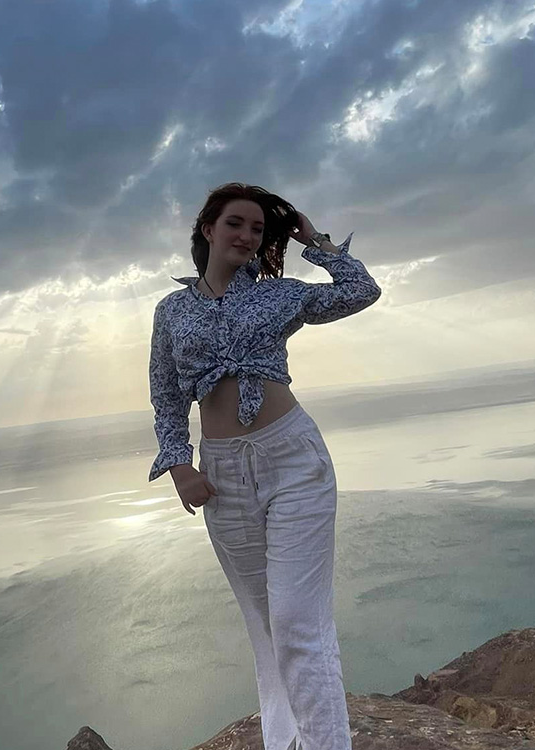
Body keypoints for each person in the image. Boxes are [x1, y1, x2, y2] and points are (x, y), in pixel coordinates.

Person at [147, 182, 381, 750]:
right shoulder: (171, 311)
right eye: (236, 223)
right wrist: (179, 465)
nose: (247, 236)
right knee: (268, 625)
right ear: (208, 229)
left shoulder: (279, 295)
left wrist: (314, 240)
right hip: (222, 477)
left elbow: (361, 291)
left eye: (257, 228)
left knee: (299, 624)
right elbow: (166, 395)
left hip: (293, 461)